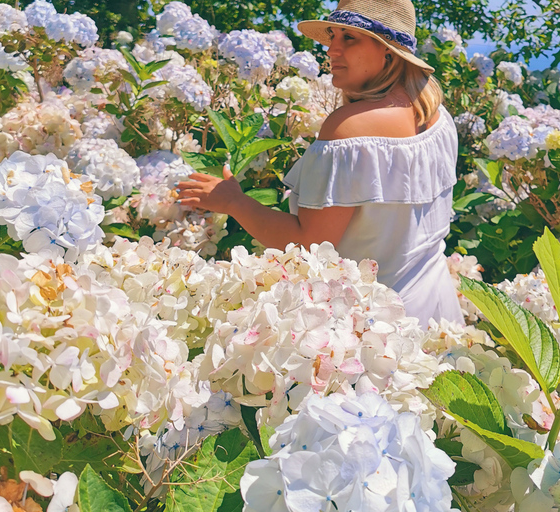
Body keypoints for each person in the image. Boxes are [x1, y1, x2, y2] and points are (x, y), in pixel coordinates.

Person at [175, 0, 465, 326]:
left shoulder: (348, 131)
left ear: (388, 51)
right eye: (333, 35)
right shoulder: (438, 115)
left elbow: (308, 244)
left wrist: (233, 201)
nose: (332, 50)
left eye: (349, 38)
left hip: (372, 329)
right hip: (438, 313)